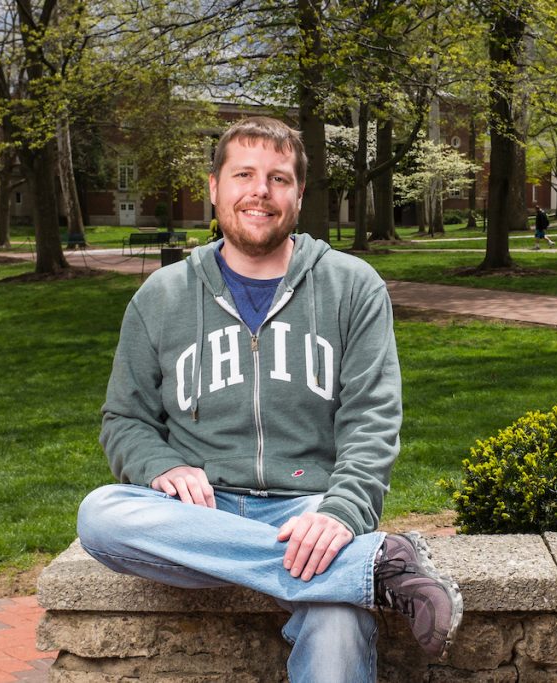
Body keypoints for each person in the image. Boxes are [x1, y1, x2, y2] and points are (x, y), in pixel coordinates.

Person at [76, 116, 463, 682]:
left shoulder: (352, 286)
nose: (260, 191)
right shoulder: (162, 296)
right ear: (214, 187)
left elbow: (372, 421)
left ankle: (344, 568)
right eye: (244, 175)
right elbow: (125, 418)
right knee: (102, 514)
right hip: (195, 516)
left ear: (299, 195)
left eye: (279, 178)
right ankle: (372, 568)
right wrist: (159, 465)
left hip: (307, 510)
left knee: (336, 619)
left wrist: (342, 512)